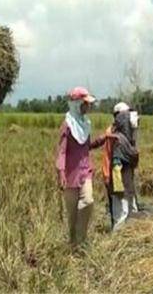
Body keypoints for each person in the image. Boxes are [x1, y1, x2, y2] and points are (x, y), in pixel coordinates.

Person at [56, 87, 104, 247]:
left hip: (85, 172)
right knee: (72, 215)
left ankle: (80, 237)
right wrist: (61, 172)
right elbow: (62, 151)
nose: (88, 107)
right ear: (77, 104)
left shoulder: (85, 124)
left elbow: (86, 146)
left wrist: (101, 140)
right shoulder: (67, 126)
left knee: (88, 202)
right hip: (70, 175)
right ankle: (74, 245)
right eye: (85, 103)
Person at [99, 102, 140, 231]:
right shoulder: (112, 133)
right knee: (120, 209)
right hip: (115, 174)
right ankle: (117, 235)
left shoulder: (127, 133)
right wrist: (109, 178)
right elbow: (110, 158)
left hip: (125, 174)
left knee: (127, 207)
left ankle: (123, 233)